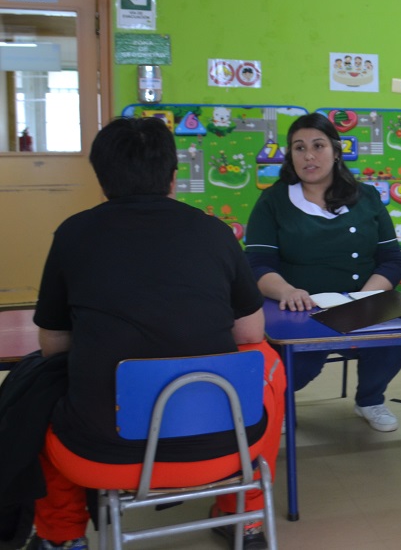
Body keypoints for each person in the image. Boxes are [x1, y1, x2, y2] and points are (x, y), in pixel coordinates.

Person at [28, 117, 285, 550]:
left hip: (99, 455)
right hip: (224, 447)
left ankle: (60, 536)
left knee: (41, 388)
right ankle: (244, 517)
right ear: (173, 175)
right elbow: (250, 330)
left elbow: (53, 344)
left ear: (101, 178)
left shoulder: (73, 233)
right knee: (267, 361)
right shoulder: (215, 232)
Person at [244, 112, 401, 432]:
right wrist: (287, 292)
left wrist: (367, 295)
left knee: (396, 338)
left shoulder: (368, 197)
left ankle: (371, 399)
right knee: (298, 367)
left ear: (336, 150)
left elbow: (390, 259)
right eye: (299, 147)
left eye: (318, 146)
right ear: (290, 155)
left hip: (362, 302)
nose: (309, 156)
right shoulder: (273, 200)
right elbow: (257, 264)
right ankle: (279, 402)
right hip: (299, 309)